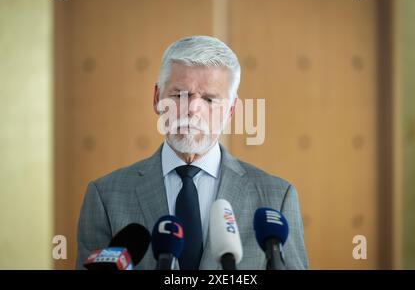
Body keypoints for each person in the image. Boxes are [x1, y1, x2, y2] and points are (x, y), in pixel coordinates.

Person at [76, 35, 308, 269]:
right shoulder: (105, 196)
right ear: (157, 98)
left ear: (231, 111)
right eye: (179, 95)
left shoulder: (277, 198)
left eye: (209, 99)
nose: (192, 110)